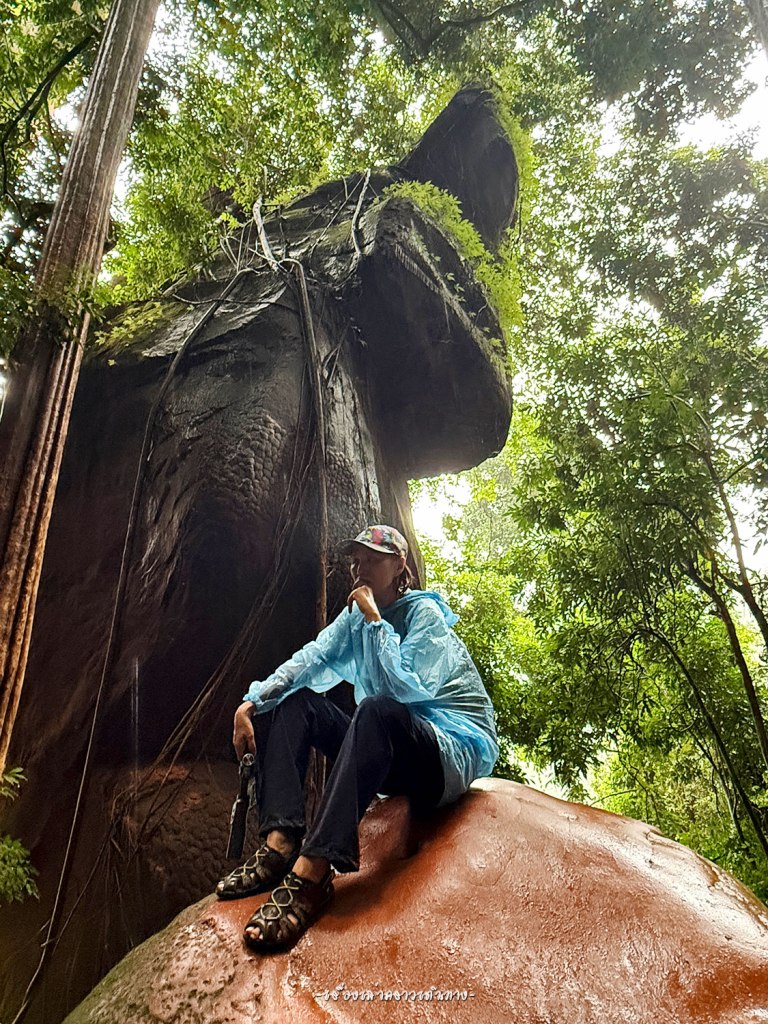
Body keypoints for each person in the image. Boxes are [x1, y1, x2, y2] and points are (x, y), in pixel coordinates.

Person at [215, 524, 499, 952]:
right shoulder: (355, 617)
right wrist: (252, 703)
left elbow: (404, 689)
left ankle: (313, 873)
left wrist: (374, 618)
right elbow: (312, 658)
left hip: (443, 752)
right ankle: (280, 842)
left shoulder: (424, 615)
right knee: (296, 701)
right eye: (357, 559)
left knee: (377, 709)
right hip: (387, 749)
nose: (359, 567)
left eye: (372, 559)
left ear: (399, 566)